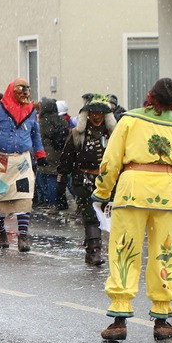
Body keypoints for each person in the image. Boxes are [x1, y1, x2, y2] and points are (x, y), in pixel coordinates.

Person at [92, 78, 172, 341]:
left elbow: (111, 160)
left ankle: (119, 318)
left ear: (150, 96)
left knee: (124, 250)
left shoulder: (130, 120)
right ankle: (162, 318)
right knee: (165, 252)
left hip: (132, 190)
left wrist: (101, 191)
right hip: (167, 194)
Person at [0, 79, 46, 251]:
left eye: (27, 90)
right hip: (2, 160)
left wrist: (40, 154)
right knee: (0, 196)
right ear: (12, 90)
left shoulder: (31, 111)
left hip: (22, 161)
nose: (25, 94)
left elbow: (35, 134)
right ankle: (1, 231)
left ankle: (23, 237)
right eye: (21, 90)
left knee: (24, 197)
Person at [58, 94, 116, 265]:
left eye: (100, 113)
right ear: (87, 114)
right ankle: (94, 252)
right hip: (83, 180)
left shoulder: (113, 135)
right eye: (93, 112)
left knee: (106, 217)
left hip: (107, 181)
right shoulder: (77, 134)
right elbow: (66, 158)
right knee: (90, 215)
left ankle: (102, 248)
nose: (97, 116)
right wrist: (61, 181)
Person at [36, 97, 70, 213]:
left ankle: (52, 204)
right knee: (65, 177)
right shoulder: (62, 120)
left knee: (51, 178)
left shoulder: (43, 122)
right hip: (62, 152)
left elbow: (39, 138)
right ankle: (72, 202)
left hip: (48, 153)